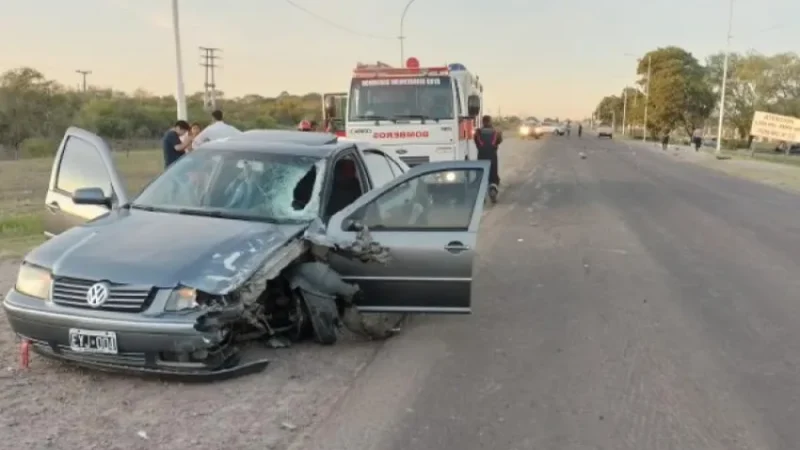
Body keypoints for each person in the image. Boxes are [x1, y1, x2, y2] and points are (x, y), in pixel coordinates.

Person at [473, 115, 502, 202]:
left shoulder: (478, 132)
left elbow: (476, 142)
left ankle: (482, 196)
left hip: (481, 156)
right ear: (490, 121)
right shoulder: (496, 132)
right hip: (492, 156)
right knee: (493, 176)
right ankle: (493, 190)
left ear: (483, 122)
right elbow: (499, 141)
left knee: (482, 176)